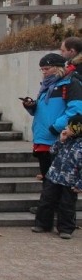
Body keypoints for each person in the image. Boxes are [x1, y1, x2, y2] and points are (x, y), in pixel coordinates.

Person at [22, 52, 82, 184]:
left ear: (58, 68)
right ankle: (48, 204)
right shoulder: (46, 86)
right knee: (47, 182)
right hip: (42, 139)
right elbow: (43, 110)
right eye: (42, 69)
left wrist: (56, 127)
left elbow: (76, 111)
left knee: (57, 185)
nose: (44, 72)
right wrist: (31, 106)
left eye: (47, 69)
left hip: (58, 138)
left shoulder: (71, 84)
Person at [32, 115, 82, 239]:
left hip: (70, 180)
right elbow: (52, 151)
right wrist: (61, 140)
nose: (66, 128)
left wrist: (80, 184)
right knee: (46, 199)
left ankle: (65, 228)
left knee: (67, 205)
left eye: (69, 126)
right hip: (54, 176)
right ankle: (42, 224)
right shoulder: (65, 140)